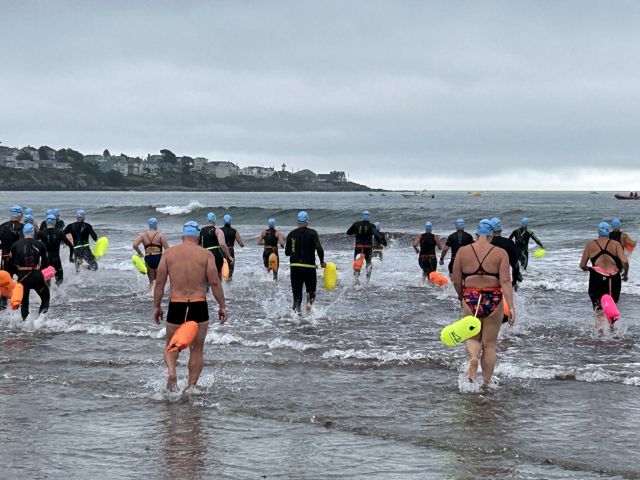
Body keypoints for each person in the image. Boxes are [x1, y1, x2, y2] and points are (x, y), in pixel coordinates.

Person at [153, 221, 227, 391]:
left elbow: (159, 283)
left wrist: (156, 306)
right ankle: (190, 388)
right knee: (196, 350)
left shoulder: (169, 254)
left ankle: (172, 372)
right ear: (198, 238)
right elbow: (214, 282)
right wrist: (222, 305)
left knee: (171, 346)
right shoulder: (206, 254)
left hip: (176, 304)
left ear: (182, 236)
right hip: (198, 304)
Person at [452, 219, 515, 385]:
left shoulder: (462, 252)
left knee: (472, 338)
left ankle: (473, 358)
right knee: (489, 345)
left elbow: (456, 279)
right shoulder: (500, 253)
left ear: (476, 234)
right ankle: (486, 383)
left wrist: (461, 296)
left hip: (470, 297)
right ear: (491, 236)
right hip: (493, 298)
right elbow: (506, 281)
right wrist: (512, 306)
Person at [579, 222, 628, 329]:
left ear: (598, 231)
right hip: (613, 277)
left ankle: (599, 335)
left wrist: (588, 269)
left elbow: (582, 265)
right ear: (608, 232)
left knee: (598, 308)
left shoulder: (590, 245)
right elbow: (624, 261)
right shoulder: (615, 244)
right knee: (612, 306)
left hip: (597, 277)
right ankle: (612, 332)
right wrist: (625, 273)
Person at [285, 211, 326, 314]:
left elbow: (287, 253)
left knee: (296, 297)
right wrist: (322, 262)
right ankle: (309, 305)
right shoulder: (312, 233)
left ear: (298, 221)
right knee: (311, 292)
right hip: (309, 267)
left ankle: (296, 318)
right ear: (307, 221)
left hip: (295, 267)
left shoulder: (291, 234)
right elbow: (319, 249)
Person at [7, 223, 50, 320]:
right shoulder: (40, 244)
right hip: (36, 275)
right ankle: (40, 320)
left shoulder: (16, 244)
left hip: (22, 277)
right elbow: (46, 263)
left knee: (24, 302)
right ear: (34, 232)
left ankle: (25, 324)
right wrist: (38, 271)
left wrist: (18, 272)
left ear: (23, 233)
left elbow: (10, 264)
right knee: (45, 298)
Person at [36, 214, 74, 285]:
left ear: (46, 222)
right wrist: (70, 257)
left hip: (45, 260)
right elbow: (70, 246)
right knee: (60, 279)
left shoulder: (41, 233)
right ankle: (56, 292)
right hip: (56, 260)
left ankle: (49, 293)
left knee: (45, 280)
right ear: (54, 222)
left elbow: (32, 244)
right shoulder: (59, 232)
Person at [0, 206, 25, 310]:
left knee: (4, 284)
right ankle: (20, 307)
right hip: (18, 260)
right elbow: (22, 243)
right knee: (21, 284)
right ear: (20, 215)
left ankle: (2, 308)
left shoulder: (2, 227)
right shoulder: (22, 227)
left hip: (5, 260)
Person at [346, 210, 382, 283]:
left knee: (357, 262)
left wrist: (357, 232)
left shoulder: (356, 224)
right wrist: (380, 243)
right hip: (367, 248)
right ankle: (367, 279)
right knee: (368, 263)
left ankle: (356, 279)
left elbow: (348, 232)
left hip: (358, 247)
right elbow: (376, 234)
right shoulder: (371, 225)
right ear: (369, 217)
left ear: (362, 216)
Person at [133, 218, 170, 286]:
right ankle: (159, 294)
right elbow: (167, 249)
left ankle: (149, 295)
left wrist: (139, 252)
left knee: (151, 281)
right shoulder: (160, 235)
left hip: (148, 258)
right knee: (159, 281)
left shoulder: (143, 235)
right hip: (158, 257)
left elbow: (135, 245)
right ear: (156, 225)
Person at [198, 213, 233, 280]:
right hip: (216, 253)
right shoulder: (218, 231)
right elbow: (222, 244)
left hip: (205, 253)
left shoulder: (202, 231)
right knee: (218, 273)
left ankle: (207, 289)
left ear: (207, 220)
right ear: (215, 220)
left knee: (206, 274)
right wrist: (229, 256)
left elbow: (199, 244)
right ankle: (218, 288)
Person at [490, 217, 520, 292]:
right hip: (504, 279)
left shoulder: (486, 244)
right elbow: (515, 264)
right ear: (500, 230)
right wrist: (514, 281)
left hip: (487, 279)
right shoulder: (509, 243)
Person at [221, 214, 245, 281]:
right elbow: (241, 244)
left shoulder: (219, 230)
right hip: (230, 251)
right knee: (230, 268)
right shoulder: (234, 231)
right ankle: (229, 284)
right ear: (230, 221)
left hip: (221, 251)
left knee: (220, 268)